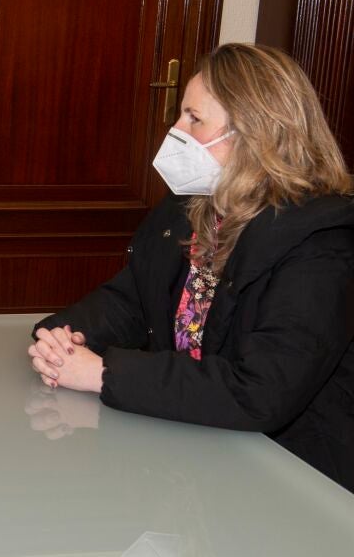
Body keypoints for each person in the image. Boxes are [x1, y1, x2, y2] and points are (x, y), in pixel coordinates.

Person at [27, 43, 354, 492]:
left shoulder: (322, 245)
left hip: (291, 476)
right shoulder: (193, 208)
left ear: (254, 133)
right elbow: (133, 300)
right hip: (193, 448)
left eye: (193, 118)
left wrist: (103, 374)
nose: (175, 130)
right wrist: (63, 337)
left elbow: (261, 392)